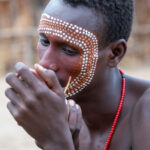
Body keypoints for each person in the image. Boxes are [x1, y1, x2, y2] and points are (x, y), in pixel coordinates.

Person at [5, 0, 150, 150]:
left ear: (115, 53)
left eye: (69, 50)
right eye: (44, 41)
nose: (45, 64)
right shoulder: (63, 115)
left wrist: (56, 142)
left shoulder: (146, 111)